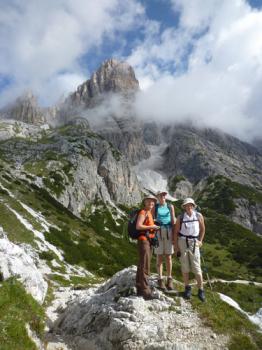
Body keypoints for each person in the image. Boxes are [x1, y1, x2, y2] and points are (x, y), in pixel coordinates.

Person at [174, 198, 206, 302]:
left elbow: (203, 229)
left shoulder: (198, 216)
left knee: (197, 267)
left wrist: (200, 240)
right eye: (187, 205)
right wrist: (176, 247)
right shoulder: (181, 217)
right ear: (184, 207)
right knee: (185, 266)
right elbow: (176, 232)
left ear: (193, 205)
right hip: (182, 241)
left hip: (194, 242)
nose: (189, 207)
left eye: (190, 205)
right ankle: (187, 288)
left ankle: (201, 290)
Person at [136, 195, 160, 300]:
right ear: (145, 202)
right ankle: (146, 291)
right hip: (144, 241)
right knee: (145, 265)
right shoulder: (143, 212)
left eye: (153, 201)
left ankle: (139, 288)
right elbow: (138, 226)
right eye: (149, 201)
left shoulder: (149, 213)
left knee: (142, 263)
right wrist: (152, 227)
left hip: (148, 241)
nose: (151, 203)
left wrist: (153, 227)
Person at [154, 190, 176, 290]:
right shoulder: (155, 207)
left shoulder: (170, 206)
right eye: (161, 195)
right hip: (158, 232)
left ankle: (169, 279)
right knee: (159, 256)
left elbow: (173, 221)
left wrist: (175, 235)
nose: (163, 196)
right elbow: (152, 218)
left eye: (164, 195)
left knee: (168, 256)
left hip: (168, 231)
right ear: (157, 197)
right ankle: (160, 279)